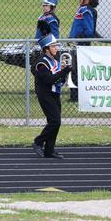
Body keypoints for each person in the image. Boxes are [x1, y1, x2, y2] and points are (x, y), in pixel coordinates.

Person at [32, 21, 72, 159]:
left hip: (55, 94)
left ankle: (49, 149)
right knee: (55, 121)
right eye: (53, 46)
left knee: (54, 122)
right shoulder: (41, 63)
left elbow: (59, 80)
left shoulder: (55, 61)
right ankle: (38, 142)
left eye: (56, 45)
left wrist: (65, 73)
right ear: (46, 49)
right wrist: (63, 71)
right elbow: (49, 79)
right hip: (45, 94)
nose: (56, 48)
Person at [68, 0, 97, 102]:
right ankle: (74, 95)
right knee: (73, 69)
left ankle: (77, 96)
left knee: (77, 70)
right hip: (77, 43)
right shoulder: (82, 9)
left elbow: (89, 31)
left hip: (82, 44)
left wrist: (79, 37)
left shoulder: (86, 10)